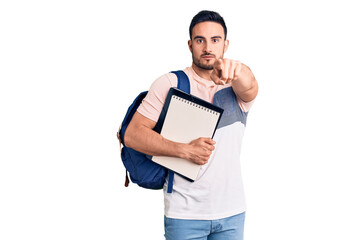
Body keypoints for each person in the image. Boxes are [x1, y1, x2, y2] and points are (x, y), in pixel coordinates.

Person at [124, 10, 258, 240]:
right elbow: (133, 136)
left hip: (232, 214)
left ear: (225, 44)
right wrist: (185, 150)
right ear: (190, 45)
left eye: (215, 40)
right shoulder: (170, 83)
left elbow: (251, 86)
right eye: (200, 40)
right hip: (184, 215)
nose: (208, 47)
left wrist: (240, 70)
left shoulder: (236, 87)